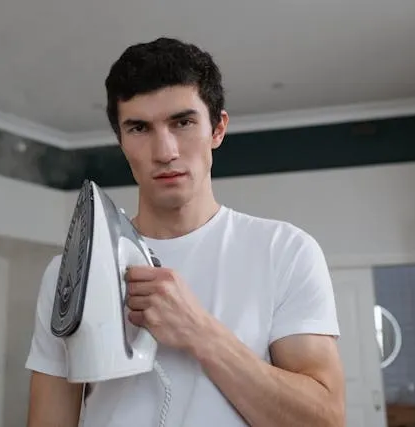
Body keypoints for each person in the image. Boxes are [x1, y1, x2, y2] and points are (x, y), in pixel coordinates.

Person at [25, 37, 345, 427]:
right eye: (139, 127)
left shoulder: (285, 251)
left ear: (217, 129)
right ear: (121, 142)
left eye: (183, 122)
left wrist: (201, 333)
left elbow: (324, 420)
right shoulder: (70, 273)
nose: (165, 151)